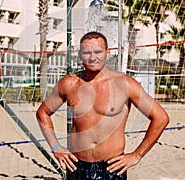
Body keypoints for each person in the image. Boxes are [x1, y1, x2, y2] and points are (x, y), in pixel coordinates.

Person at [36, 31, 169, 179]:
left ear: (107, 52)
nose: (93, 57)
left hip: (112, 167)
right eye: (87, 52)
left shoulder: (124, 84)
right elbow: (42, 113)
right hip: (76, 165)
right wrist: (55, 147)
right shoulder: (69, 84)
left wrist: (137, 155)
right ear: (80, 54)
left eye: (98, 51)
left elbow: (161, 118)